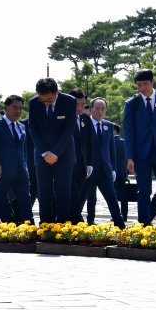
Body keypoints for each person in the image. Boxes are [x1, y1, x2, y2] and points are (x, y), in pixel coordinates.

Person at [123, 69, 156, 224]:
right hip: (141, 154)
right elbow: (129, 133)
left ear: (152, 82)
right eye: (139, 85)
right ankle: (143, 224)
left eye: (145, 84)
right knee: (144, 190)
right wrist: (129, 157)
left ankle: (146, 217)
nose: (142, 88)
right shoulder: (131, 104)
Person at [28, 78, 77, 223]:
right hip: (42, 154)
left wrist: (55, 153)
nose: (46, 103)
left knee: (63, 192)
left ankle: (62, 226)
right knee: (44, 192)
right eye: (43, 100)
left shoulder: (69, 101)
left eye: (49, 99)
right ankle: (45, 225)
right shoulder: (33, 103)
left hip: (64, 153)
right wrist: (44, 152)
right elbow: (33, 129)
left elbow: (69, 129)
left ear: (57, 92)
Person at [79, 98, 126, 229]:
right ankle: (73, 223)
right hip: (89, 169)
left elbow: (111, 149)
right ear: (91, 109)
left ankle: (120, 225)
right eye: (97, 108)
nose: (100, 112)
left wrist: (113, 168)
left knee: (112, 198)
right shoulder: (85, 124)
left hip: (105, 169)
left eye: (103, 109)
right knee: (81, 199)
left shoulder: (108, 125)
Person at [0, 95, 33, 224]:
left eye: (20, 108)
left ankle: (29, 229)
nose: (18, 111)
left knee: (25, 200)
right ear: (6, 107)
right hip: (2, 171)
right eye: (14, 107)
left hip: (21, 171)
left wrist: (26, 168)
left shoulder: (22, 127)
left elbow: (23, 150)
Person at [68, 88, 93, 223]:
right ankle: (77, 222)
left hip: (82, 166)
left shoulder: (85, 120)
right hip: (67, 165)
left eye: (83, 104)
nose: (80, 107)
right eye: (77, 104)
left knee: (79, 195)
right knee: (73, 195)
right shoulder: (63, 118)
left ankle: (72, 221)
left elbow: (89, 143)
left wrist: (89, 163)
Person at [112, 124, 129, 222]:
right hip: (122, 172)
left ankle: (116, 215)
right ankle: (124, 215)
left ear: (114, 130)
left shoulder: (110, 142)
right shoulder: (124, 142)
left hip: (112, 172)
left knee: (113, 196)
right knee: (123, 196)